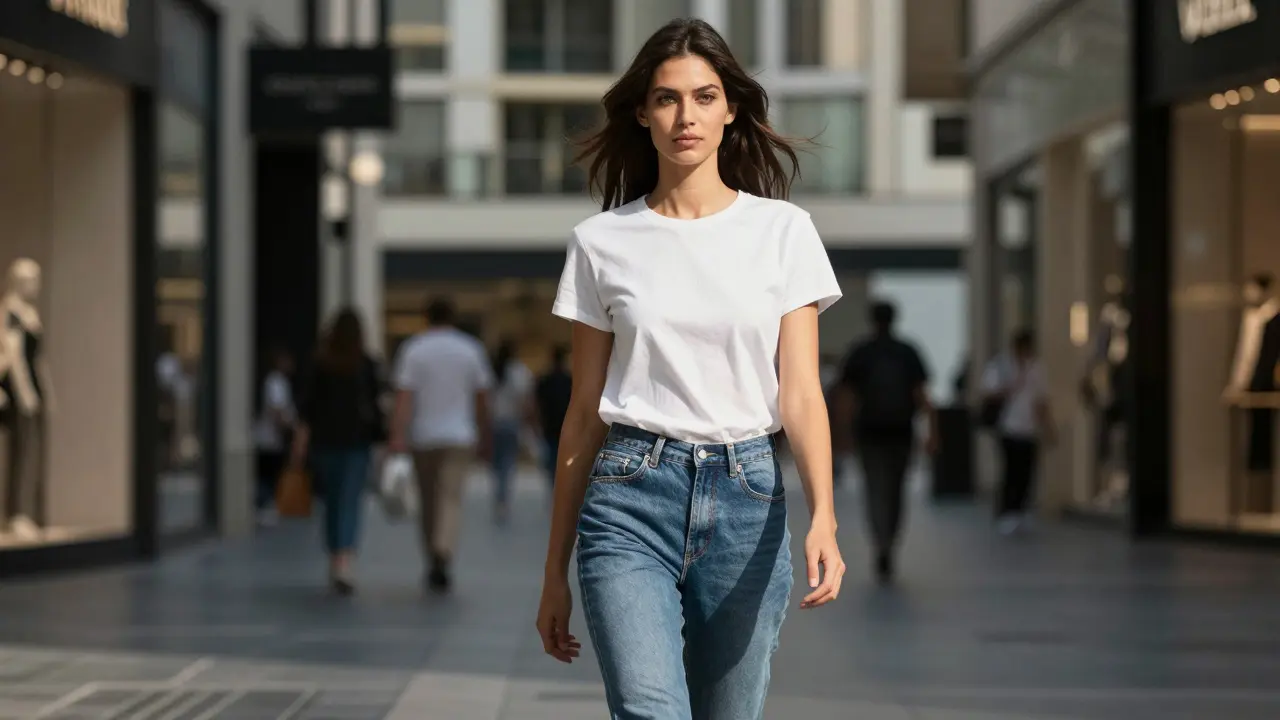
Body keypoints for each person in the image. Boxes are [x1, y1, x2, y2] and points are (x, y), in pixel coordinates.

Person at [534, 18, 846, 719]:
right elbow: (584, 411)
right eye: (668, 99)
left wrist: (823, 516)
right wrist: (553, 571)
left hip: (747, 498)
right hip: (627, 497)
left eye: (704, 97)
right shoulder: (600, 243)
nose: (686, 116)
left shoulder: (783, 232)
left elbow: (799, 391)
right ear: (642, 113)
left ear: (731, 108)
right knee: (650, 711)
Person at [389, 298, 494, 593]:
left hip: (423, 436)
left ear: (426, 316)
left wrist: (397, 434)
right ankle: (443, 550)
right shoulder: (471, 349)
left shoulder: (414, 349)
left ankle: (432, 553)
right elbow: (482, 397)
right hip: (460, 436)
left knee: (428, 500)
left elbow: (404, 397)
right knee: (451, 498)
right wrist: (486, 433)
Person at [833, 301, 937, 584]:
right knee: (896, 491)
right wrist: (933, 432)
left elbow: (846, 398)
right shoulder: (907, 352)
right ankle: (890, 542)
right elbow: (922, 395)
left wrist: (841, 435)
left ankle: (881, 543)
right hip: (902, 432)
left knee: (875, 490)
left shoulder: (861, 353)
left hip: (869, 433)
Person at [291, 310, 384, 595]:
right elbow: (375, 406)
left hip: (324, 443)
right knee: (349, 501)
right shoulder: (365, 364)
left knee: (331, 502)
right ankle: (344, 558)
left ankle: (335, 556)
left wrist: (299, 446)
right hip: (355, 442)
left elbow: (306, 409)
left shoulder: (320, 363)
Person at [981, 328, 1055, 535]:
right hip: (1007, 427)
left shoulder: (1037, 368)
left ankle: (1021, 510)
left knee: (1027, 471)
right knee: (1010, 471)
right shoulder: (1001, 365)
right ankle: (1007, 512)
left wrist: (1048, 427)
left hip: (1029, 428)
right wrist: (1011, 385)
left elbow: (1042, 401)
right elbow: (988, 393)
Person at [489, 337, 536, 523]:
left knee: (496, 464)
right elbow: (525, 400)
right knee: (508, 463)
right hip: (511, 423)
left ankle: (498, 497)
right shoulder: (520, 371)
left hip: (493, 423)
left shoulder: (490, 370)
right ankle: (503, 500)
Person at [252, 347, 296, 527]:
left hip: (272, 437)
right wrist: (289, 426)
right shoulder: (275, 381)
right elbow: (276, 409)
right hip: (269, 436)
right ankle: (263, 506)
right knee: (268, 473)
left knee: (270, 472)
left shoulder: (278, 381)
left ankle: (266, 505)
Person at [534, 344, 573, 487]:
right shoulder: (569, 381)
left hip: (549, 426)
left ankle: (554, 490)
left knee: (552, 463)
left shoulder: (545, 380)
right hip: (564, 426)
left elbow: (537, 405)